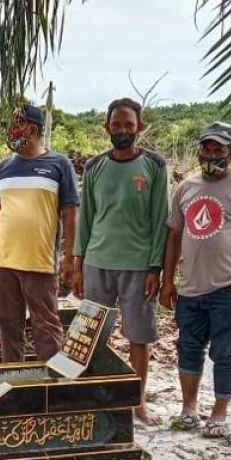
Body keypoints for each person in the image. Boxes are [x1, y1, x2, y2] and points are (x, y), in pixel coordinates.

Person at [159, 122, 231, 438]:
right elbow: (174, 236)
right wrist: (168, 281)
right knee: (188, 348)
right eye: (207, 148)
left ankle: (219, 414)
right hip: (191, 286)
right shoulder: (186, 188)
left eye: (219, 149)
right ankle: (189, 409)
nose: (212, 154)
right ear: (199, 150)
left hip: (229, 285)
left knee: (225, 350)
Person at [73, 97, 168, 423]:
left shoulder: (155, 166)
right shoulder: (94, 167)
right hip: (97, 262)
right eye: (117, 125)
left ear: (139, 127)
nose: (123, 131)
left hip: (138, 267)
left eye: (129, 125)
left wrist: (156, 267)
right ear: (107, 128)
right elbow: (85, 218)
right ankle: (93, 397)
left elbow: (160, 220)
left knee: (139, 336)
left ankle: (137, 402)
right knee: (91, 333)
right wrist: (77, 262)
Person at [0, 104, 79, 361]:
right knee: (7, 322)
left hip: (40, 263)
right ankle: (13, 381)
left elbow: (69, 214)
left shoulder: (58, 164)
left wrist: (69, 258)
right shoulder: (3, 168)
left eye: (16, 125)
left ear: (32, 129)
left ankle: (52, 386)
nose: (11, 131)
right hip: (3, 262)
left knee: (45, 325)